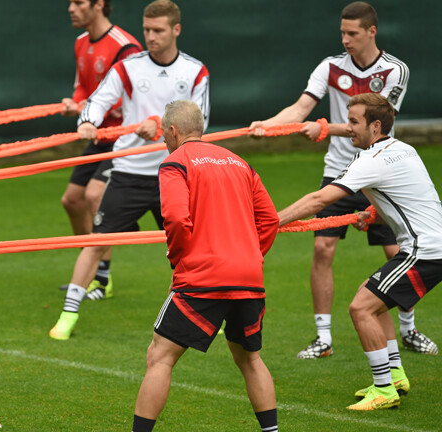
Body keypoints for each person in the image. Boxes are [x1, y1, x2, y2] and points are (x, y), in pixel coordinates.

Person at [248, 1, 436, 358]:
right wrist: (269, 125)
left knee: (397, 251)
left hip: (380, 174)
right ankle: (323, 339)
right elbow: (300, 108)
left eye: (352, 33)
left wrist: (321, 130)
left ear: (371, 31)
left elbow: (380, 120)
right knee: (322, 249)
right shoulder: (330, 66)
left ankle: (409, 330)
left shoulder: (396, 70)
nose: (346, 40)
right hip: (339, 172)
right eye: (342, 33)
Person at [50, 0, 210, 340]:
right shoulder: (129, 67)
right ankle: (68, 314)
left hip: (176, 174)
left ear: (176, 30)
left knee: (193, 249)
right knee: (97, 242)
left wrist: (158, 124)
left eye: (158, 30)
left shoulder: (195, 71)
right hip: (129, 172)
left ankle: (208, 314)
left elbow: (199, 124)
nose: (150, 37)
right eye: (147, 30)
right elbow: (98, 100)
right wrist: (89, 121)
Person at [278, 93, 442, 410]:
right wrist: (373, 213)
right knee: (373, 301)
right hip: (433, 245)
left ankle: (384, 391)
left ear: (375, 125)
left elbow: (318, 201)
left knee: (361, 308)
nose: (348, 128)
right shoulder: (404, 149)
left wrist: (270, 221)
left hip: (425, 250)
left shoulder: (370, 160)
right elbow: (406, 198)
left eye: (354, 121)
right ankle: (394, 376)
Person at [132, 100, 277, 431]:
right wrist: (252, 256)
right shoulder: (240, 162)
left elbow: (175, 219)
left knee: (160, 357)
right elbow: (269, 219)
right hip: (248, 276)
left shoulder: (175, 163)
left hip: (201, 276)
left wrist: (178, 258)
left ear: (172, 130)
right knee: (251, 359)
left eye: (163, 136)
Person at [59, 0, 142, 296]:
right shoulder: (81, 42)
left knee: (95, 195)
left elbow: (128, 99)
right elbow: (83, 87)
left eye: (79, 2)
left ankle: (101, 279)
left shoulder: (125, 47)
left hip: (123, 137)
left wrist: (84, 108)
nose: (71, 8)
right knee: (71, 200)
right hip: (98, 135)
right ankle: (88, 266)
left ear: (99, 5)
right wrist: (76, 103)